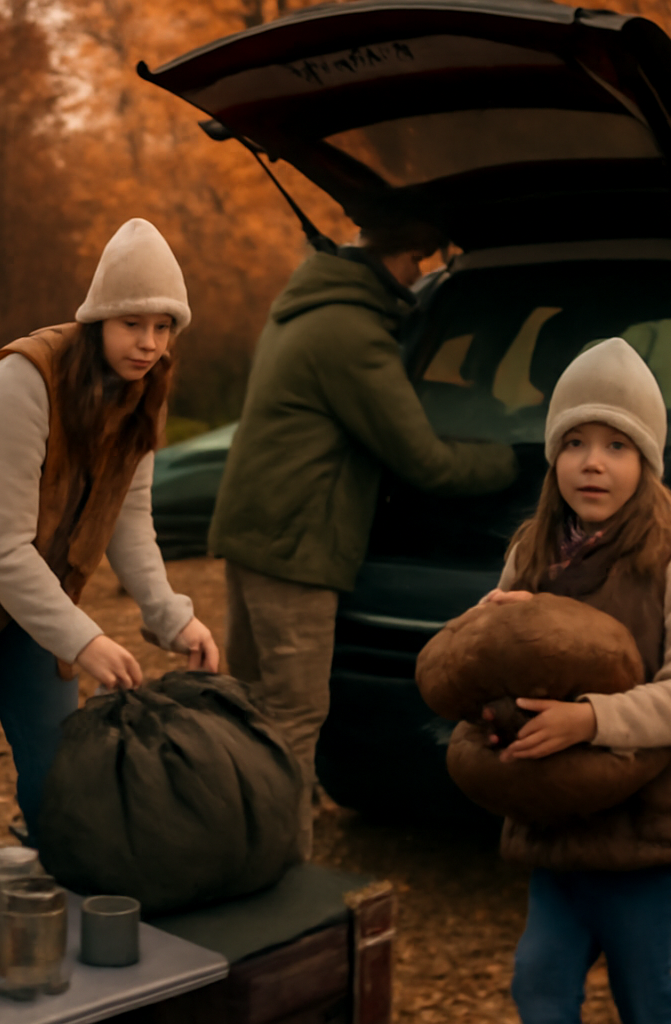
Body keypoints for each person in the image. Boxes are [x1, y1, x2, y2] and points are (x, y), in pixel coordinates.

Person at [0, 217, 220, 857]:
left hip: (33, 594)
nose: (148, 343)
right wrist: (87, 641)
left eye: (163, 327)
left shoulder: (145, 390)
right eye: (132, 323)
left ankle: (47, 926)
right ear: (98, 320)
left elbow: (128, 517)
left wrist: (171, 615)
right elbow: (1, 551)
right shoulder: (24, 381)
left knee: (60, 778)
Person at [208, 217, 519, 857]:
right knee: (293, 717)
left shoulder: (306, 304)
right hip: (297, 546)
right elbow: (424, 460)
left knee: (249, 707)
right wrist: (516, 460)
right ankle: (280, 872)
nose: (418, 279)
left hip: (252, 532)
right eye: (418, 264)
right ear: (402, 255)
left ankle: (232, 843)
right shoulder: (351, 333)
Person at [477, 338, 671, 1023]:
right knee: (539, 982)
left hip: (648, 831)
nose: (593, 462)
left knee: (643, 991)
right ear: (553, 455)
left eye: (618, 445)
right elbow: (478, 661)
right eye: (576, 442)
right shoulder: (531, 552)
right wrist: (489, 637)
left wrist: (590, 719)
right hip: (558, 826)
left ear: (647, 462)